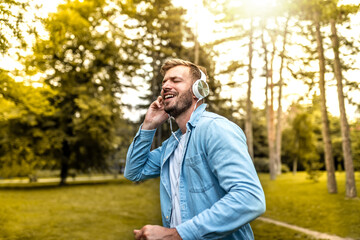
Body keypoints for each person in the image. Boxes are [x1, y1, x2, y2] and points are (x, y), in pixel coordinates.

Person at [124, 58, 265, 240]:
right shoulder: (172, 145)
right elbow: (134, 171)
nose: (166, 86)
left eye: (175, 81)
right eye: (164, 82)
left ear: (198, 90)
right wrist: (149, 125)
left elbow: (249, 198)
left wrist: (175, 235)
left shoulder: (215, 129)